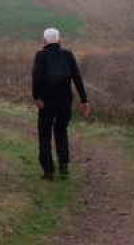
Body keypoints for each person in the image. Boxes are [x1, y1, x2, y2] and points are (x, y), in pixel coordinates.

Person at [31, 27, 91, 180]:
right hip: (65, 102)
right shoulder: (68, 55)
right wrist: (84, 100)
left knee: (44, 135)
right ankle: (63, 166)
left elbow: (36, 77)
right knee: (61, 131)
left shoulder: (41, 56)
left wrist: (36, 97)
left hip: (46, 102)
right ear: (59, 40)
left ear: (44, 41)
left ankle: (48, 171)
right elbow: (77, 78)